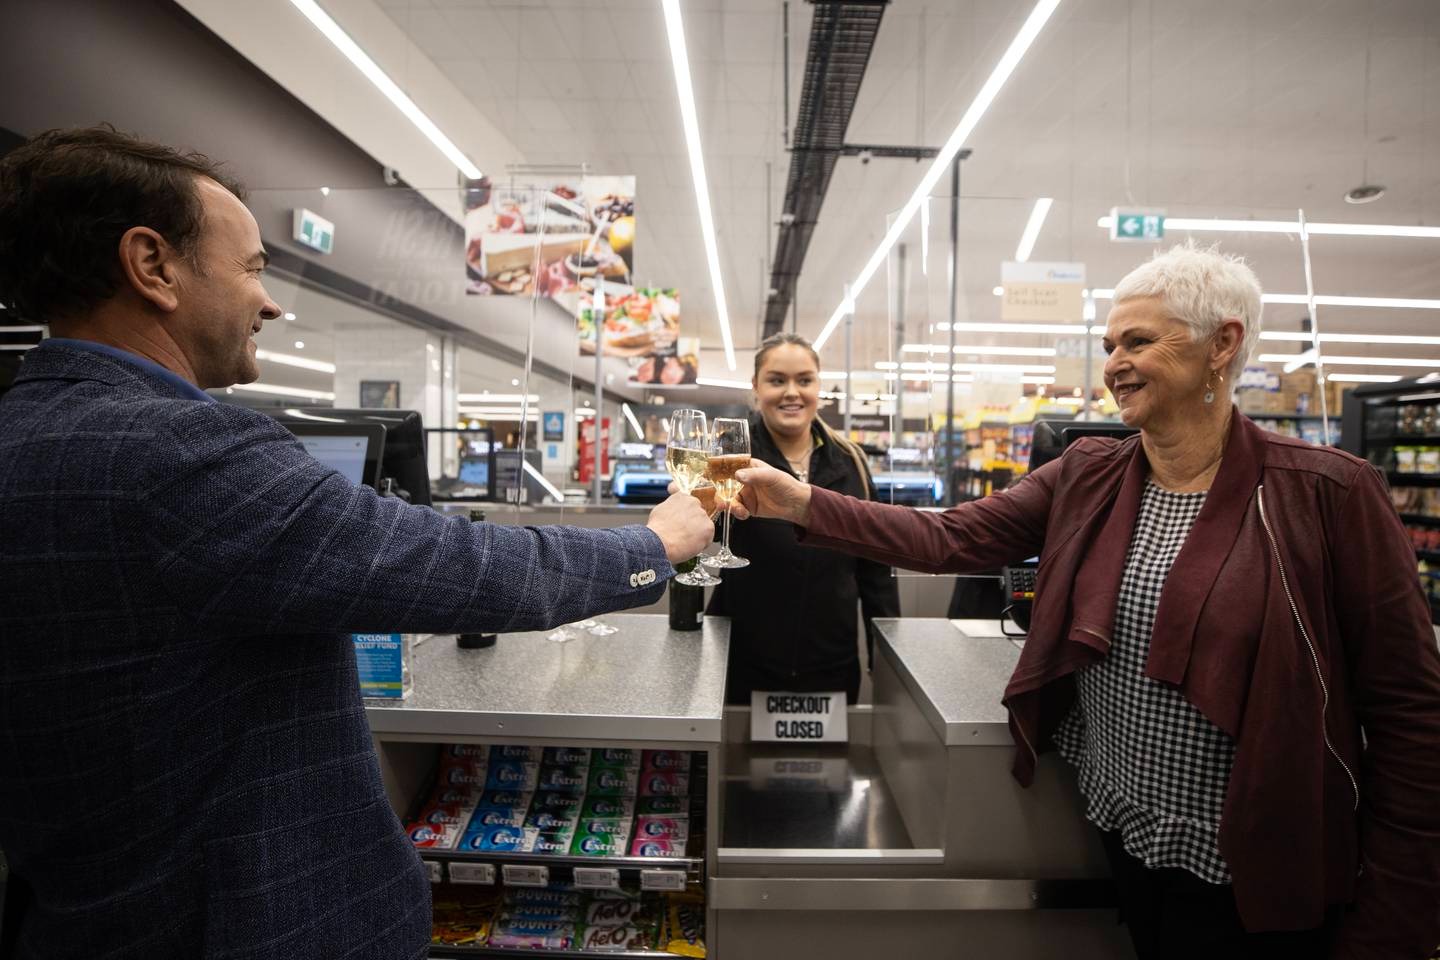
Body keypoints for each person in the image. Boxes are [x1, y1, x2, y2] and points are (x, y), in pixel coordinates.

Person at [0, 127, 714, 958]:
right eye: (252, 268)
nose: (268, 303)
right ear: (152, 265)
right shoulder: (183, 455)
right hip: (249, 922)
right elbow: (459, 568)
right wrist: (654, 544)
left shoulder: (25, 432)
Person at [729, 242, 1440, 959]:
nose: (1114, 363)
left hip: (1252, 867)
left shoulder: (1326, 493)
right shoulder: (1089, 472)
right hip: (1124, 835)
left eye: (1138, 341)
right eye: (1109, 345)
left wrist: (1396, 915)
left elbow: (1410, 711)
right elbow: (948, 538)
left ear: (1222, 344)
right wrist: (801, 503)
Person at [706, 333, 900, 705]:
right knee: (739, 763)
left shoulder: (852, 461)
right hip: (743, 660)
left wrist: (883, 657)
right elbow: (700, 539)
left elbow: (875, 571)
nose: (792, 392)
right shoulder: (730, 458)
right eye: (777, 380)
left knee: (828, 764)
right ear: (756, 387)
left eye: (804, 380)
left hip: (832, 664)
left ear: (818, 386)